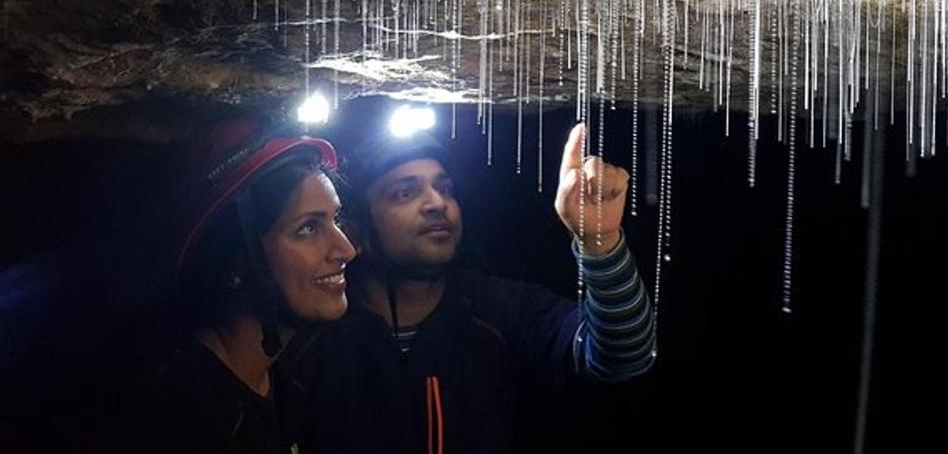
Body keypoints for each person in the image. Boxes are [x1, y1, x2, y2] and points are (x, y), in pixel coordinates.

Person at [286, 119, 656, 453]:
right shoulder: (312, 332)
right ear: (356, 229)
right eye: (404, 192)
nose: (436, 203)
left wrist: (601, 244)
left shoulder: (498, 310)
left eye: (445, 188)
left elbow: (625, 355)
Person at [134, 117, 357, 454]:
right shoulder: (182, 421)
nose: (346, 250)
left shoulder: (286, 384)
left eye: (335, 220)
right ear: (233, 259)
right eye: (308, 228)